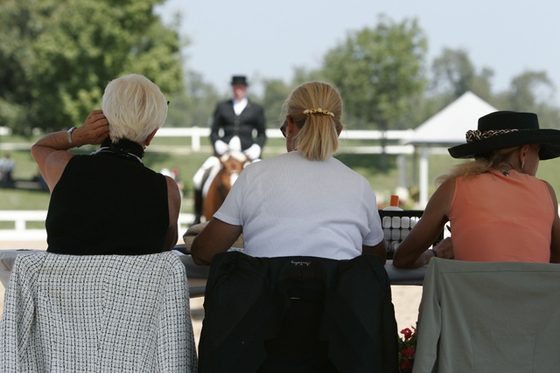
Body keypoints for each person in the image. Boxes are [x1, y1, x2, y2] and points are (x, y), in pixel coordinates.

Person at [191, 81, 386, 265]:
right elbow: (376, 259)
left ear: (289, 124)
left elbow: (204, 253)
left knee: (198, 179)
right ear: (339, 131)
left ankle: (195, 214)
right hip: (335, 300)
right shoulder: (360, 186)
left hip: (267, 299)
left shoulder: (253, 176)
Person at [31, 74, 181, 255]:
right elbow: (164, 248)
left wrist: (79, 135)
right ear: (151, 135)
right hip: (129, 284)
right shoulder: (168, 190)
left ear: (104, 117)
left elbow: (40, 147)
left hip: (63, 283)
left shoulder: (62, 166)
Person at [393, 110, 560, 268]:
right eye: (538, 153)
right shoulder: (546, 192)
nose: (538, 160)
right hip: (531, 298)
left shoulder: (452, 188)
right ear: (523, 153)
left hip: (468, 298)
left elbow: (403, 259)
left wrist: (437, 252)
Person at [190, 75, 266, 225]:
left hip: (247, 154)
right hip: (224, 154)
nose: (238, 90)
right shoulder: (222, 106)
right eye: (236, 87)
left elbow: (262, 133)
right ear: (232, 88)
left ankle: (265, 216)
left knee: (265, 180)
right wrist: (217, 143)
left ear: (245, 89)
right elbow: (213, 131)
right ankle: (198, 216)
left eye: (241, 88)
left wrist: (257, 147)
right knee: (198, 178)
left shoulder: (256, 108)